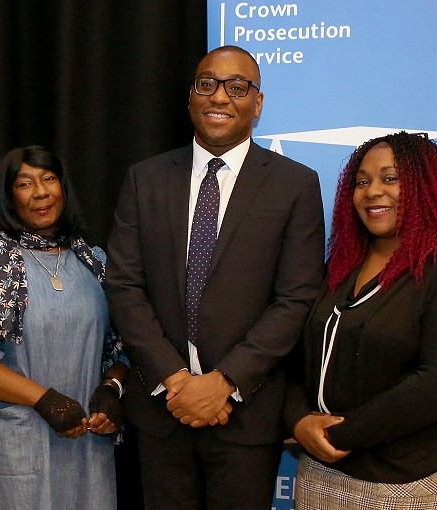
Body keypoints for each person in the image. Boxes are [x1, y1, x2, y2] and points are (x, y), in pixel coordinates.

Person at [104, 45, 326, 510]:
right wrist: (176, 380)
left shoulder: (295, 185)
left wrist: (224, 381)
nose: (219, 96)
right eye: (207, 84)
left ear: (257, 103)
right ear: (190, 97)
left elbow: (297, 298)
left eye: (237, 86)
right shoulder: (145, 179)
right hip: (162, 410)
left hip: (247, 416)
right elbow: (124, 285)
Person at [283, 131, 437, 509]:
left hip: (408, 478)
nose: (372, 191)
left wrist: (342, 434)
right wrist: (298, 421)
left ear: (426, 186)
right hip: (321, 470)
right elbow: (302, 356)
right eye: (362, 181)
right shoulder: (342, 267)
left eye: (390, 178)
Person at [0, 145, 128, 510]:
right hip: (17, 446)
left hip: (87, 446)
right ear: (8, 196)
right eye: (25, 183)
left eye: (48, 179)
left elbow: (119, 346)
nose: (40, 192)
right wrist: (45, 400)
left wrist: (112, 390)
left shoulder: (94, 262)